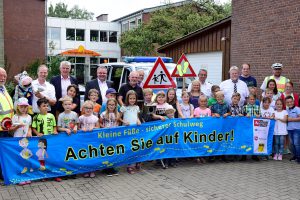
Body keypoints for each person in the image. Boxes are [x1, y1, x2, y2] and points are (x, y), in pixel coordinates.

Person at [31, 98, 61, 182]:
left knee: (52, 156)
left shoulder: (51, 115)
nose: (46, 107)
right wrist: (37, 133)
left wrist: (55, 130)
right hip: (42, 140)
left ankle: (55, 174)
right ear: (39, 107)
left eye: (47, 106)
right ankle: (44, 174)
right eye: (43, 106)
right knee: (42, 157)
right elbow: (33, 128)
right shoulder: (36, 117)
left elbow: (54, 125)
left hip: (51, 139)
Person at [119, 90, 141, 174]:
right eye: (130, 98)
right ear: (127, 99)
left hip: (135, 130)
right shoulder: (124, 107)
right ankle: (129, 165)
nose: (132, 100)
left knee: (136, 146)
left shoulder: (137, 107)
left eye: (134, 98)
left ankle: (136, 162)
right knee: (129, 147)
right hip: (127, 130)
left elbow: (136, 116)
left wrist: (138, 120)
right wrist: (124, 122)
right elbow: (118, 117)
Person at [99, 98, 120, 176]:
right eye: (110, 105)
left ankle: (112, 167)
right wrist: (104, 127)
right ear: (107, 105)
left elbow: (118, 123)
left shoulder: (117, 114)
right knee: (106, 151)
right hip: (106, 135)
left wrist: (116, 127)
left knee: (113, 151)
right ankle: (106, 168)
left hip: (114, 135)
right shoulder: (103, 114)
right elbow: (100, 123)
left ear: (115, 106)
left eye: (113, 105)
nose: (111, 106)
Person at [79, 100, 100, 178]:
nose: (88, 110)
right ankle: (85, 170)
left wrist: (93, 127)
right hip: (83, 140)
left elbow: (98, 127)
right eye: (86, 108)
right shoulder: (81, 118)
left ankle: (92, 170)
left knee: (92, 154)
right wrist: (81, 129)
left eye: (90, 108)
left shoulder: (95, 118)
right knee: (85, 154)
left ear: (93, 109)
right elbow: (77, 128)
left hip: (92, 140)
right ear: (83, 109)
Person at [285, 95, 300, 163]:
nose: (289, 103)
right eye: (288, 102)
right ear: (286, 103)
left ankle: (299, 157)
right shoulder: (286, 110)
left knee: (296, 144)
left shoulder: (297, 109)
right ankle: (295, 156)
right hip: (289, 129)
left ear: (293, 101)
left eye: (291, 102)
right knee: (292, 144)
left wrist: (291, 119)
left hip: (297, 129)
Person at [0, 68, 14, 137]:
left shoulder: (3, 89)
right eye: (0, 75)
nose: (2, 78)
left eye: (4, 76)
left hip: (7, 127)